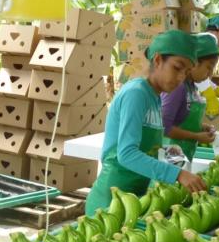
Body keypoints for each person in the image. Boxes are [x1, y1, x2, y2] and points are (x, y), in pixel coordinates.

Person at [86, 30, 208, 216]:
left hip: (134, 198)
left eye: (186, 72)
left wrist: (179, 161)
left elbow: (150, 148)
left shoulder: (155, 98)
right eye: (177, 67)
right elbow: (126, 154)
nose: (181, 77)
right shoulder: (136, 94)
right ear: (158, 60)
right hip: (109, 202)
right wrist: (178, 174)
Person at [162, 34, 219, 165]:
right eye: (208, 67)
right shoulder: (178, 87)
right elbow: (164, 126)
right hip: (169, 155)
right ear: (194, 63)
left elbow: (181, 119)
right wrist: (196, 136)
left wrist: (201, 127)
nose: (210, 74)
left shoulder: (192, 87)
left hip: (183, 155)